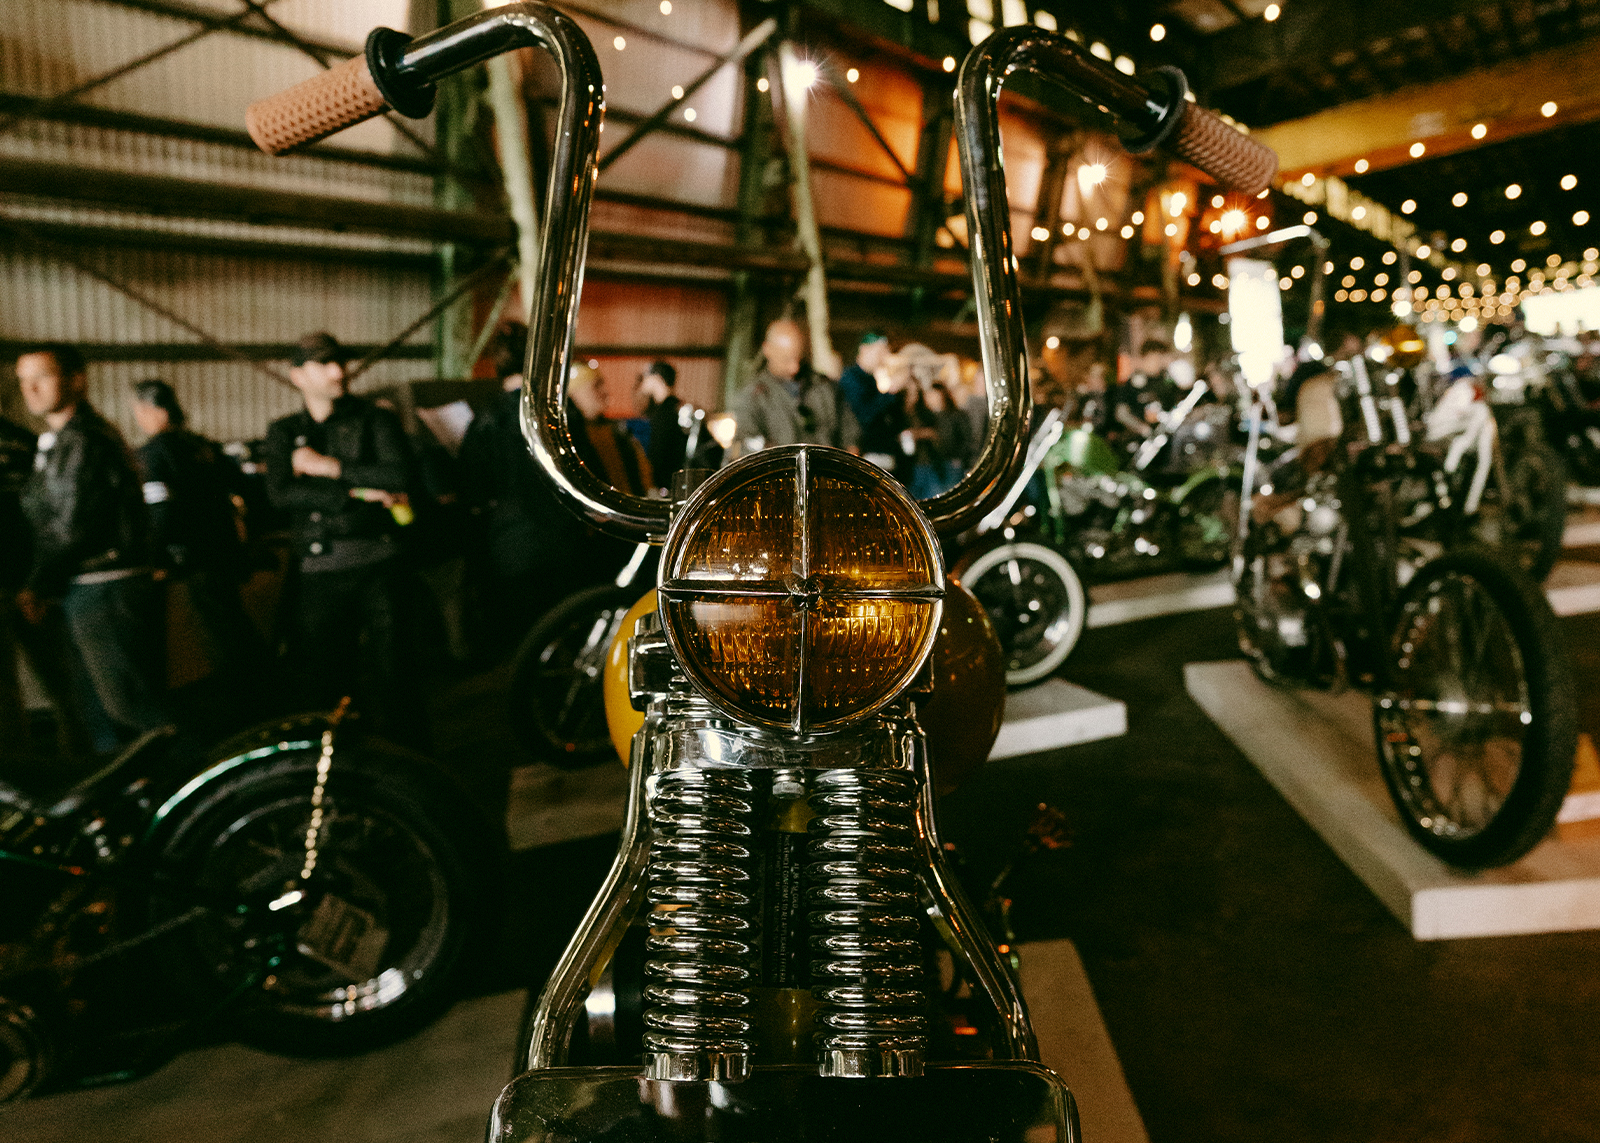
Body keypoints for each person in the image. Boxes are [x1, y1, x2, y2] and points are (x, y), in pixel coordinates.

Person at [263, 332, 429, 749]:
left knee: (396, 675)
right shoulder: (284, 431)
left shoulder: (376, 419)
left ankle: (410, 761)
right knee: (325, 680)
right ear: (297, 375)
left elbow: (399, 476)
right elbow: (280, 494)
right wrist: (358, 493)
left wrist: (327, 467)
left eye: (340, 362)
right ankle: (339, 763)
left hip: (381, 563)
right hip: (319, 571)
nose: (339, 372)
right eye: (324, 364)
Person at [14, 344, 169, 755]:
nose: (30, 389)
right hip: (88, 586)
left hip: (104, 586)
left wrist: (37, 584)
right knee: (100, 713)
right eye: (23, 380)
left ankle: (207, 783)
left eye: (42, 377)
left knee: (133, 708)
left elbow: (71, 526)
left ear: (76, 380)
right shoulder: (66, 440)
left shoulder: (82, 440)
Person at [131, 379, 265, 692]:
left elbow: (161, 511)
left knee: (218, 637)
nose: (138, 418)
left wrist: (156, 557)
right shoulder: (205, 447)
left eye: (139, 411)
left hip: (192, 560)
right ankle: (264, 687)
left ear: (155, 411)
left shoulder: (153, 454)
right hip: (225, 552)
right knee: (235, 623)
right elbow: (247, 490)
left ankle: (246, 702)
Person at [728, 318, 859, 453]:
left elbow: (851, 437)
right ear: (767, 349)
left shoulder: (826, 387)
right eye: (786, 360)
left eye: (798, 358)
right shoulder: (752, 398)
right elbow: (746, 449)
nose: (795, 368)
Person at [837, 331, 902, 469]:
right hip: (867, 456)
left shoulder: (872, 379)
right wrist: (889, 394)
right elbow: (863, 415)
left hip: (884, 455)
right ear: (864, 349)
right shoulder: (851, 379)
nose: (884, 357)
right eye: (880, 351)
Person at [638, 360, 690, 493]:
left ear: (657, 378)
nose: (642, 380)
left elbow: (658, 457)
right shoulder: (677, 408)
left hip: (666, 489)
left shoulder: (664, 414)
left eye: (646, 375)